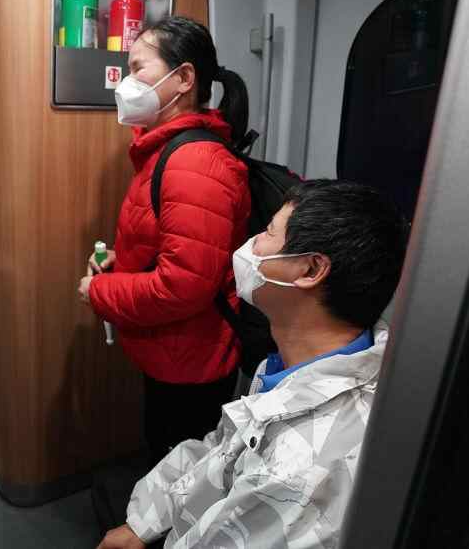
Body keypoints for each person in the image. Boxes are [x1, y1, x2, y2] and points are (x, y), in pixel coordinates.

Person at [97, 179, 409, 549]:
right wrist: (143, 521)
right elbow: (223, 451)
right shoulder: (304, 363)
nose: (251, 245)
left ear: (310, 270)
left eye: (268, 232)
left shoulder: (299, 470)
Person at [77, 16, 253, 463]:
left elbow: (183, 286)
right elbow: (171, 247)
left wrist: (101, 291)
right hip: (174, 351)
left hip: (192, 363)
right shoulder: (165, 152)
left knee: (180, 472)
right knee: (164, 459)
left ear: (184, 78)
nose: (126, 83)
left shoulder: (195, 162)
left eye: (139, 68)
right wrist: (123, 263)